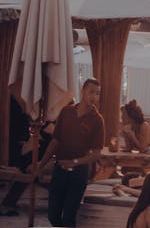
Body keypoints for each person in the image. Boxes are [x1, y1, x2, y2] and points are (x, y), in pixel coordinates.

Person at [37, 77, 105, 228]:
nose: (94, 96)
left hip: (79, 173)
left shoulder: (97, 120)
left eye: (98, 93)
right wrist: (41, 165)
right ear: (82, 92)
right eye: (91, 92)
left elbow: (96, 154)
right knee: (53, 216)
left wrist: (74, 162)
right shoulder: (66, 112)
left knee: (69, 217)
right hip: (59, 170)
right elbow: (55, 142)